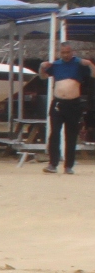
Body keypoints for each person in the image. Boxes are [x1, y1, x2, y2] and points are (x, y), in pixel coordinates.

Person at [40, 42, 91, 175]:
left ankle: (68, 165)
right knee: (55, 133)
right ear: (60, 53)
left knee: (71, 135)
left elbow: (94, 75)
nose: (66, 55)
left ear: (72, 52)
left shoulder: (79, 64)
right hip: (58, 103)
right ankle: (52, 163)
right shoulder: (56, 65)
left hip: (73, 104)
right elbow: (43, 76)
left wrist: (90, 64)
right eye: (63, 53)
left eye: (68, 52)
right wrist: (42, 67)